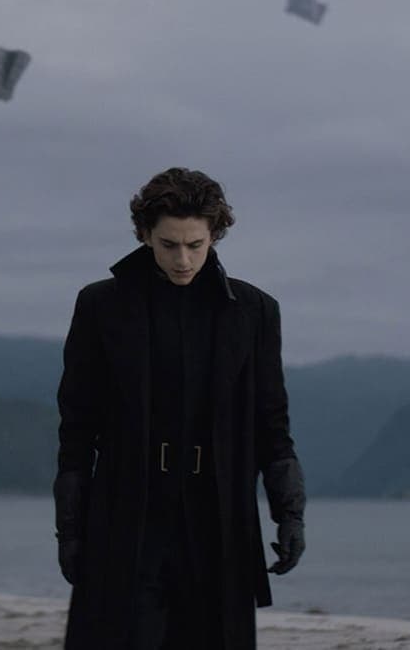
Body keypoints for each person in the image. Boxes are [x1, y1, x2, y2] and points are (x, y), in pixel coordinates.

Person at [54, 167, 307, 650]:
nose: (183, 259)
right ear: (145, 235)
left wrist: (290, 515)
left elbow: (272, 424)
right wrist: (69, 531)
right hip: (127, 514)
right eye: (169, 244)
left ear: (215, 235)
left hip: (218, 518)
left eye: (195, 244)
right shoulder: (101, 306)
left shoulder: (253, 311)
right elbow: (77, 428)